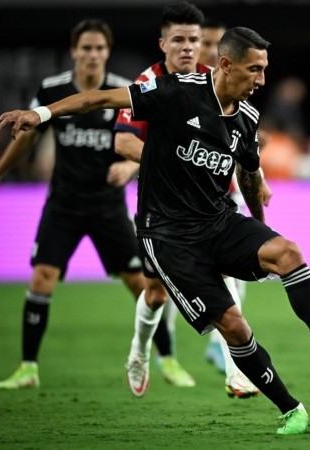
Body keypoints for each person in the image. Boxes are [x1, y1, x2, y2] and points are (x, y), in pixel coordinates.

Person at [0, 25, 310, 435]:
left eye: (265, 70)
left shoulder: (247, 118)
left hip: (218, 221)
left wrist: (260, 231)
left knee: (287, 252)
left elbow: (249, 175)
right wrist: (39, 114)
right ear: (226, 65)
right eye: (254, 70)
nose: (261, 80)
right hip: (167, 236)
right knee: (233, 324)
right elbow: (99, 99)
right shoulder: (175, 91)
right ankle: (291, 409)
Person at [0, 19, 142, 389]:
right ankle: (28, 367)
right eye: (87, 48)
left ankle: (164, 358)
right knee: (41, 277)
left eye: (99, 48)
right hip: (64, 204)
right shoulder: (53, 89)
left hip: (108, 206)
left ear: (107, 53)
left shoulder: (123, 94)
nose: (93, 54)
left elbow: (146, 140)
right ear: (74, 51)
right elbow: (26, 139)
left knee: (139, 283)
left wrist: (130, 165)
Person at [112, 0, 204, 390]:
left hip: (205, 205)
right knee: (155, 292)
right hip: (159, 207)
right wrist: (164, 159)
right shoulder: (146, 85)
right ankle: (139, 350)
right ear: (163, 44)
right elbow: (122, 142)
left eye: (194, 40)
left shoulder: (212, 80)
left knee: (225, 275)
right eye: (179, 40)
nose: (187, 47)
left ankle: (236, 368)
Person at [196, 15, 262, 397]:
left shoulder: (238, 97)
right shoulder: (173, 87)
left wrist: (261, 180)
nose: (199, 48)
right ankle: (151, 351)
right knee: (153, 292)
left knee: (236, 278)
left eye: (206, 42)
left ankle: (224, 354)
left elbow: (244, 146)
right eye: (196, 41)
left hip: (224, 197)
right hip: (178, 207)